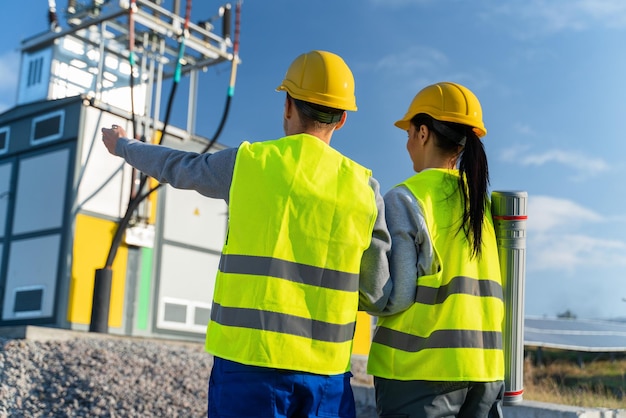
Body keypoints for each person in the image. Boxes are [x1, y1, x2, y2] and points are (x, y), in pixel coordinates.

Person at [101, 50, 391, 418]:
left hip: (247, 365)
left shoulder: (249, 163)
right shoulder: (365, 189)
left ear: (288, 105)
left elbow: (179, 166)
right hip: (327, 375)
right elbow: (376, 292)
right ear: (342, 120)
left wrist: (123, 146)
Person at [366, 81, 505, 417]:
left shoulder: (406, 198)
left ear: (424, 133)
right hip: (485, 371)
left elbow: (396, 296)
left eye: (409, 132)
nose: (408, 142)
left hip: (421, 373)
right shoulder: (483, 206)